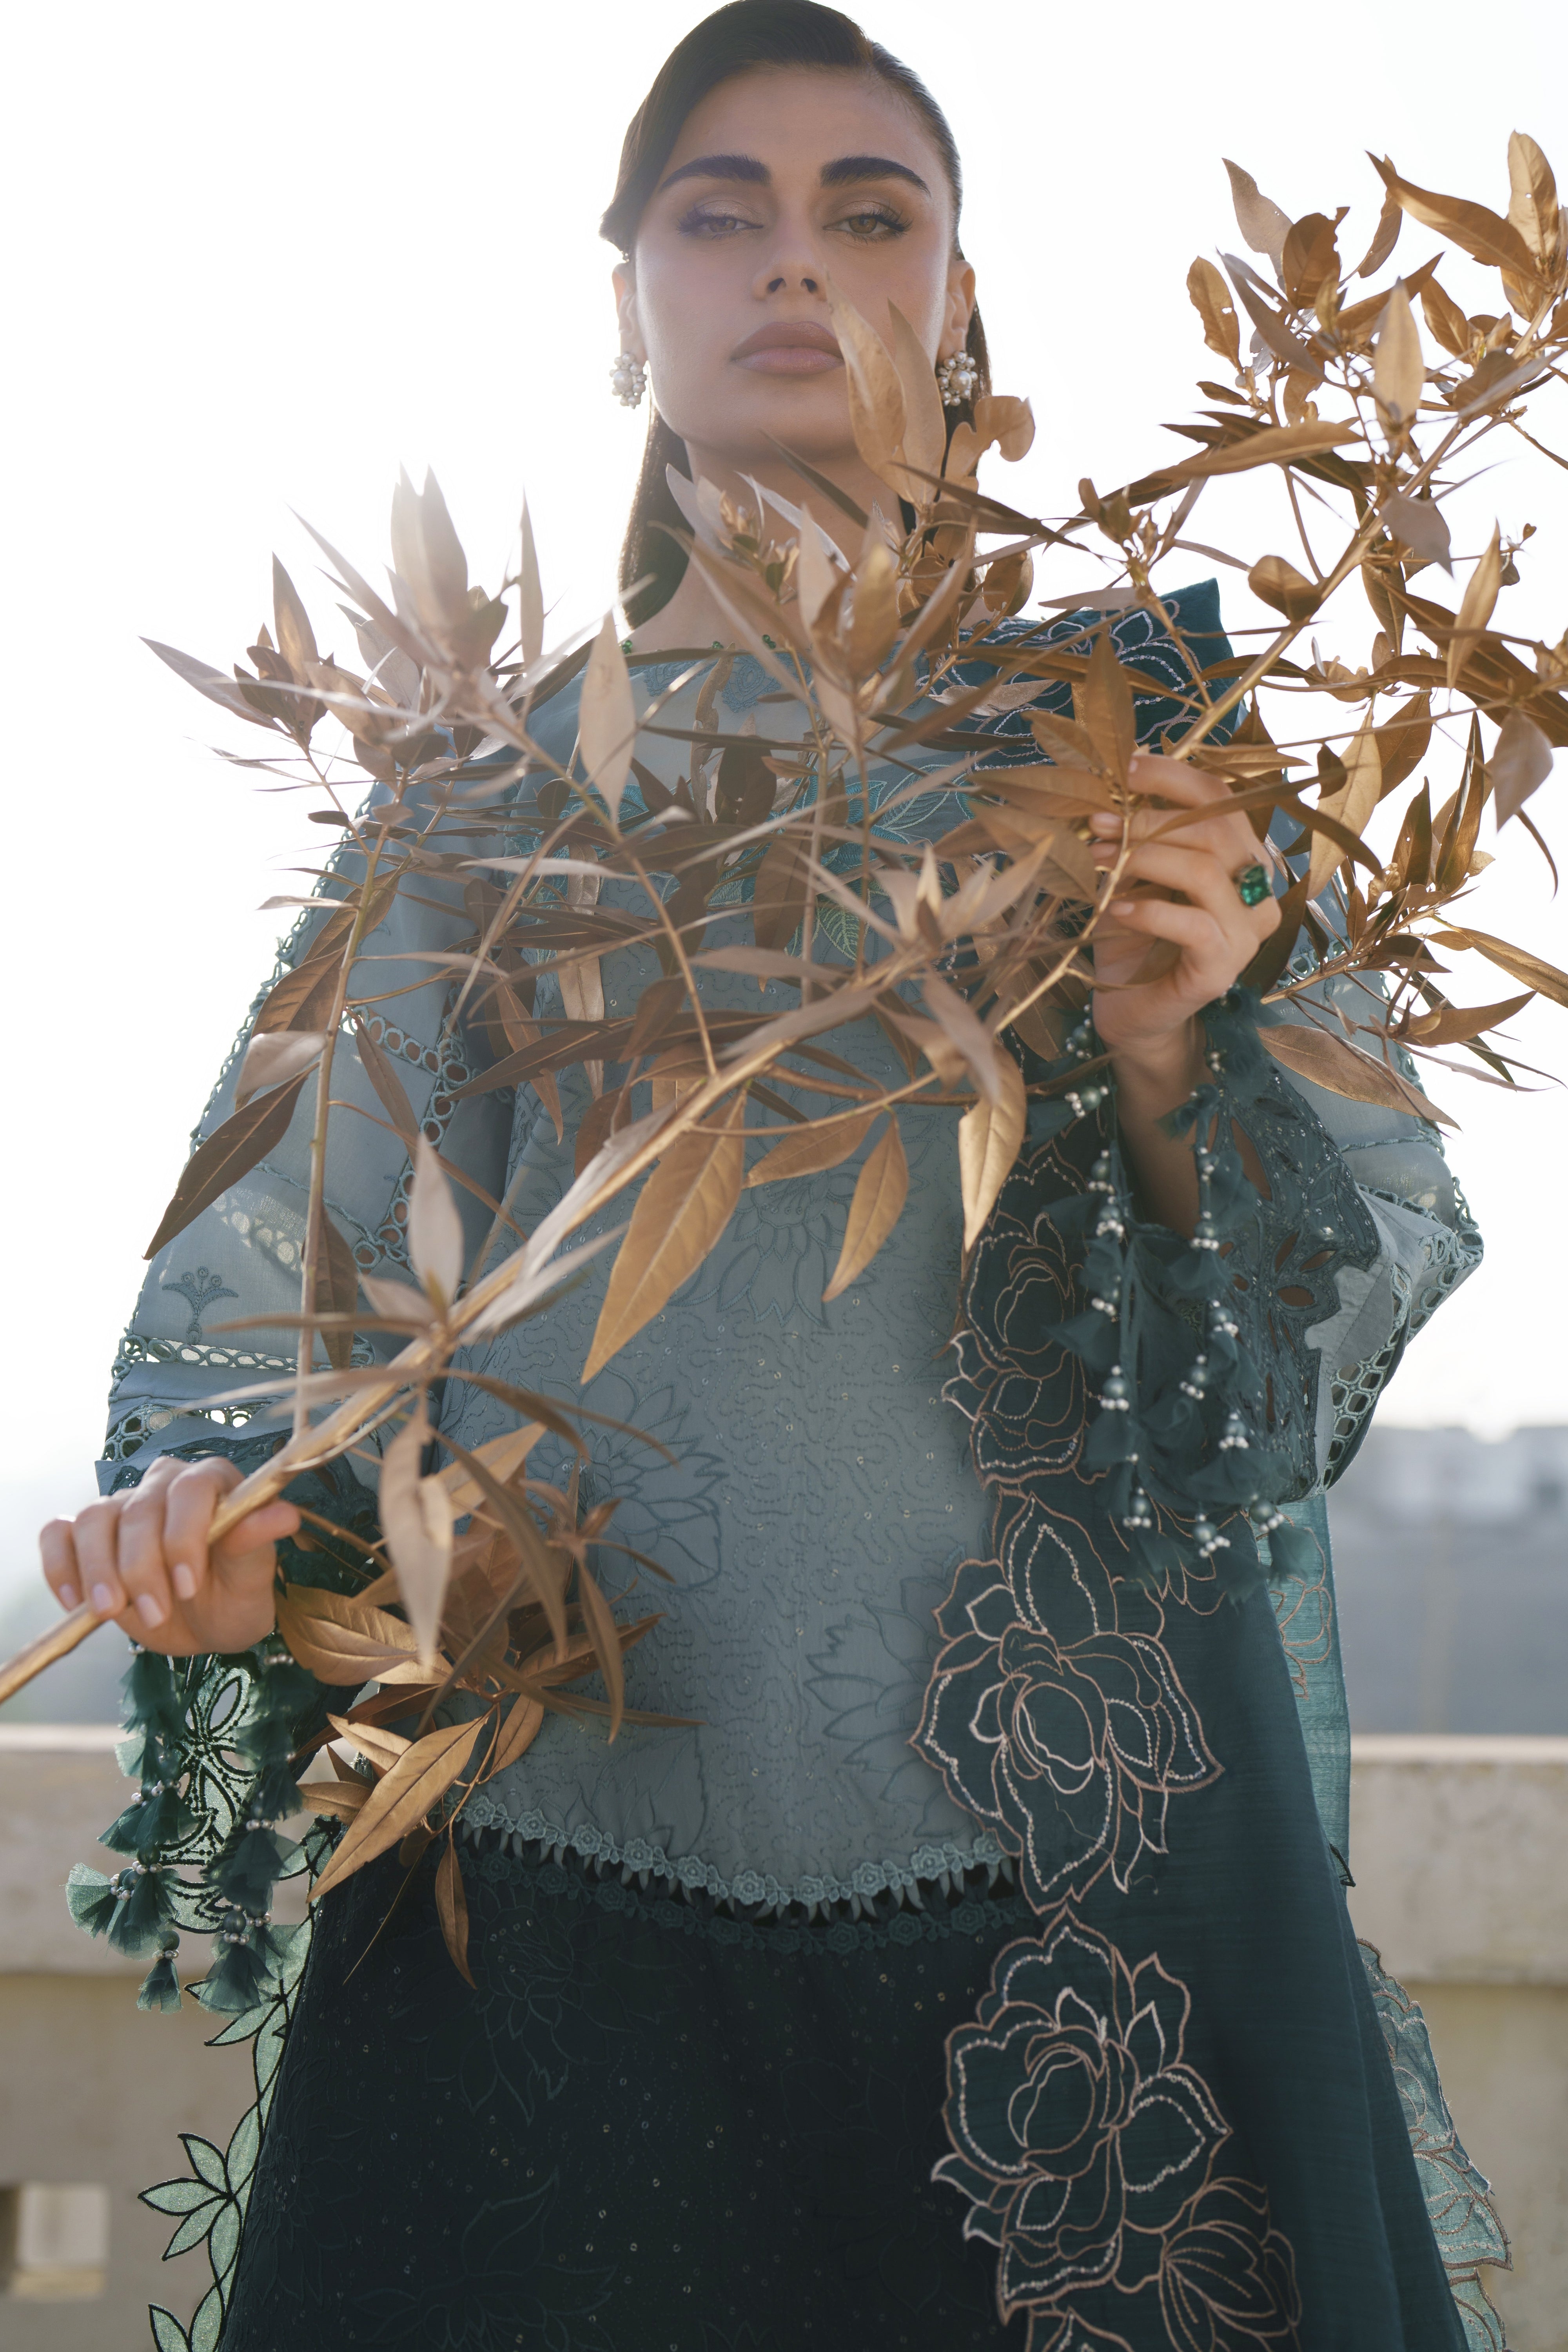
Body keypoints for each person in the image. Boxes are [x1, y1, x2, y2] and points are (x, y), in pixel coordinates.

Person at [38, 5, 1505, 2346]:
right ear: (625, 302)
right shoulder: (483, 801)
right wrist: (237, 1537)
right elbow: (290, 1311)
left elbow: (1305, 1336)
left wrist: (1165, 1049)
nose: (794, 262)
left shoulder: (1131, 736)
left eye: (869, 213)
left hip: (1072, 1947)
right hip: (545, 1940)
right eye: (719, 214)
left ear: (961, 298)